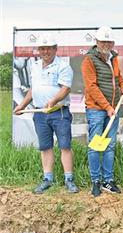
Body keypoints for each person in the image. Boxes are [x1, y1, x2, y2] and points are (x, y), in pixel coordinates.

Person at [13, 34, 79, 194]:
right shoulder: (34, 66)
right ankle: (48, 179)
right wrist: (21, 105)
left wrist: (53, 101)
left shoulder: (63, 66)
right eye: (42, 49)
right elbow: (32, 90)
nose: (45, 51)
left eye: (48, 48)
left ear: (55, 49)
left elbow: (65, 89)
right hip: (40, 114)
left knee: (65, 146)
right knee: (45, 147)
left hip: (59, 112)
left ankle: (69, 180)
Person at [82, 26, 123, 197]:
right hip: (96, 109)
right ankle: (95, 181)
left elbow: (119, 77)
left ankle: (108, 180)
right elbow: (91, 87)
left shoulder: (114, 58)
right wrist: (107, 107)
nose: (106, 44)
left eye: (109, 41)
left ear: (113, 43)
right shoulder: (89, 60)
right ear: (96, 42)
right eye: (103, 41)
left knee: (109, 146)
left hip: (113, 109)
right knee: (95, 146)